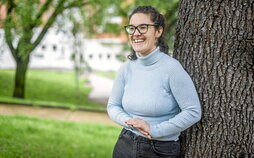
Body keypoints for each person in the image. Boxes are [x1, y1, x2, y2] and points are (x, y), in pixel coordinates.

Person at [107, 5, 202, 158]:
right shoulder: (126, 68)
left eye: (143, 27)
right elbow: (113, 106)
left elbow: (193, 112)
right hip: (125, 143)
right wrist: (130, 121)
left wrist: (153, 129)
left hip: (160, 150)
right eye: (132, 28)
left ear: (158, 31)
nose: (136, 33)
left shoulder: (171, 68)